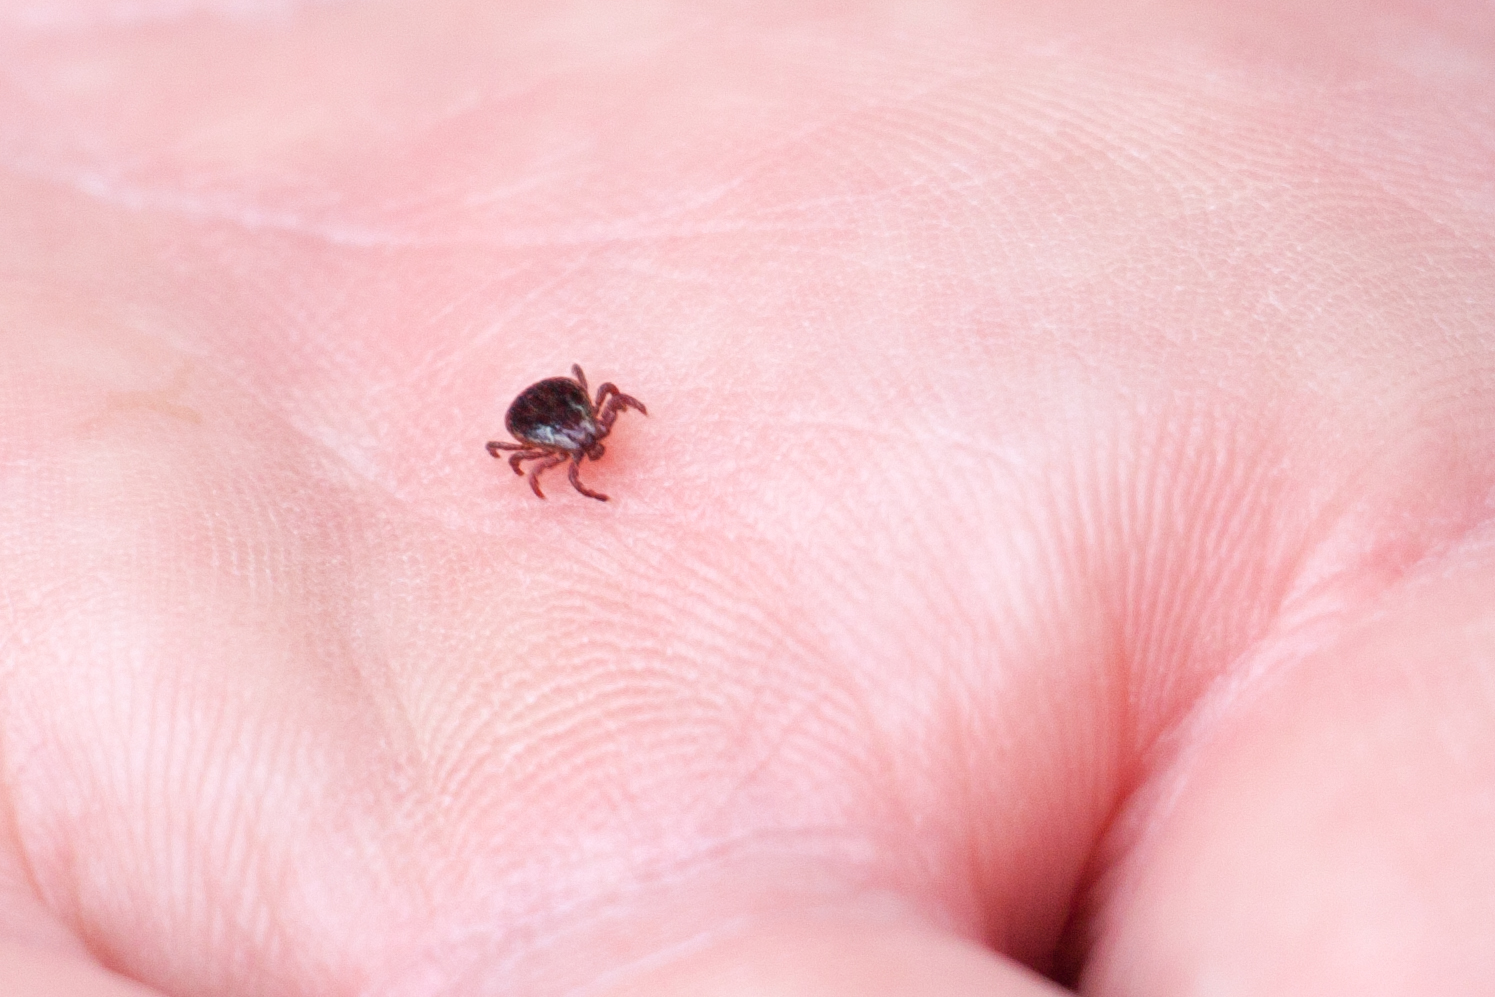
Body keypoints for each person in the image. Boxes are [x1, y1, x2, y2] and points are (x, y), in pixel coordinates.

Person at [1, 1, 1491, 993]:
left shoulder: (582, 423)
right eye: (579, 434)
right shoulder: (553, 446)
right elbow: (537, 448)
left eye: (585, 426)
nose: (591, 437)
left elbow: (566, 425)